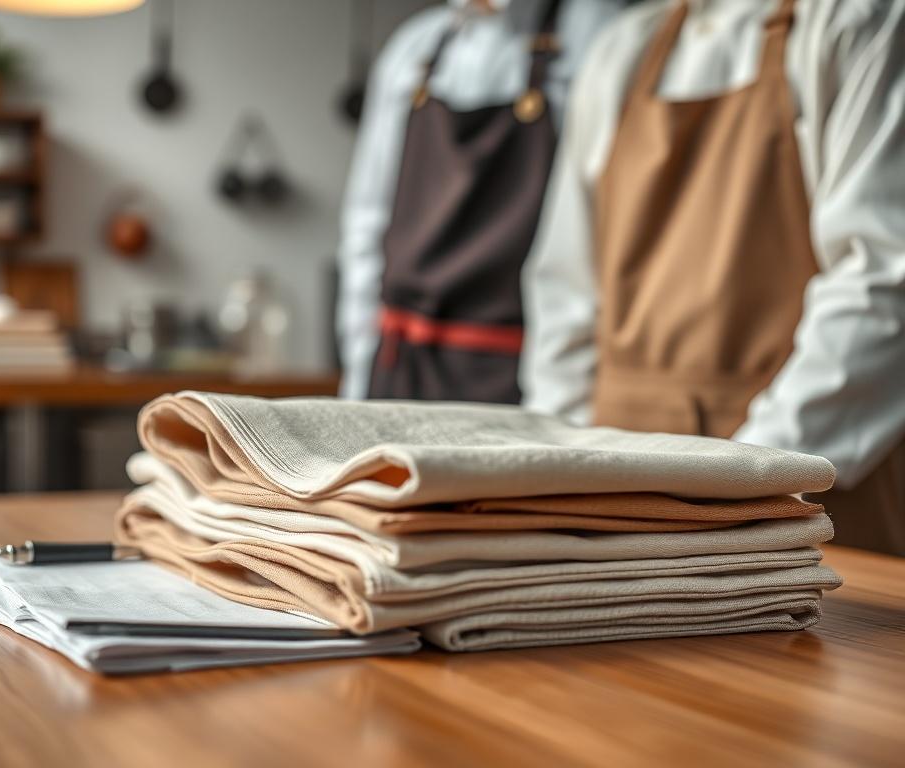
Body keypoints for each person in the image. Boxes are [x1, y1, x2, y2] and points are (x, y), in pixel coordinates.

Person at [521, 0, 905, 554]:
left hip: (799, 486)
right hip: (613, 480)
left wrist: (746, 487)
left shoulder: (855, 21)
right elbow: (565, 294)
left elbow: (883, 276)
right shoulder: (621, 50)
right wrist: (559, 482)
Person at [336, 0, 627, 404]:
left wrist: (562, 401)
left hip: (517, 380)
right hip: (397, 369)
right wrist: (359, 374)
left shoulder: (598, 34)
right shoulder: (414, 47)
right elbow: (368, 221)